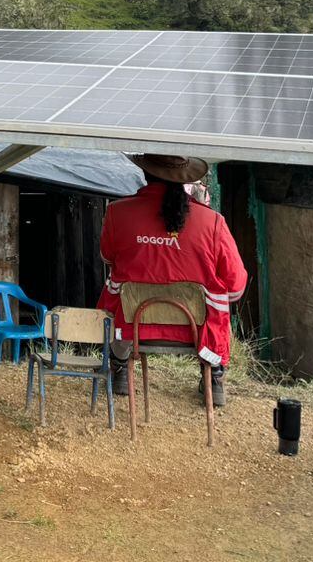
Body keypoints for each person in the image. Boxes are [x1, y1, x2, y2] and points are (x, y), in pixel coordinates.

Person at [96, 154, 247, 407]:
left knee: (116, 290)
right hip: (196, 333)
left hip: (132, 329)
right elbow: (235, 287)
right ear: (184, 179)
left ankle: (120, 367)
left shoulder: (117, 213)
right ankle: (214, 376)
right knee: (218, 303)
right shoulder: (213, 223)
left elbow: (107, 258)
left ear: (145, 173)